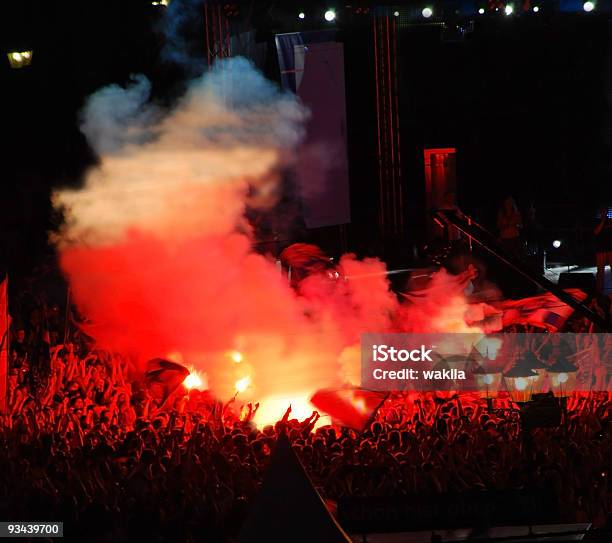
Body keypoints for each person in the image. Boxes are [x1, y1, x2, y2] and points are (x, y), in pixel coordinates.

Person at [594, 206, 612, 294]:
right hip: (601, 249)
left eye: (606, 211)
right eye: (603, 211)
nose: (605, 213)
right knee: (600, 270)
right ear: (601, 212)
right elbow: (596, 232)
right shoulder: (597, 221)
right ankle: (599, 291)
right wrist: (603, 221)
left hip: (610, 249)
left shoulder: (610, 221)